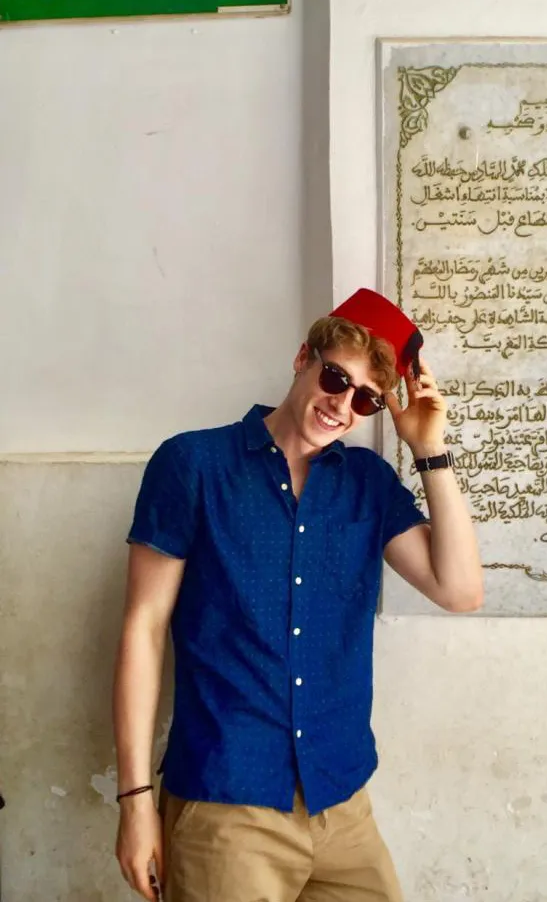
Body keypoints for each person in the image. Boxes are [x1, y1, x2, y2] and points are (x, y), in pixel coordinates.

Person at [112, 288, 483, 902]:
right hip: (228, 806)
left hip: (342, 804)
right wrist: (134, 804)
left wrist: (429, 449)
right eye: (335, 377)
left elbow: (462, 590)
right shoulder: (194, 465)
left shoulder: (368, 484)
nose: (342, 404)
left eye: (365, 397)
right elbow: (142, 628)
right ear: (302, 358)